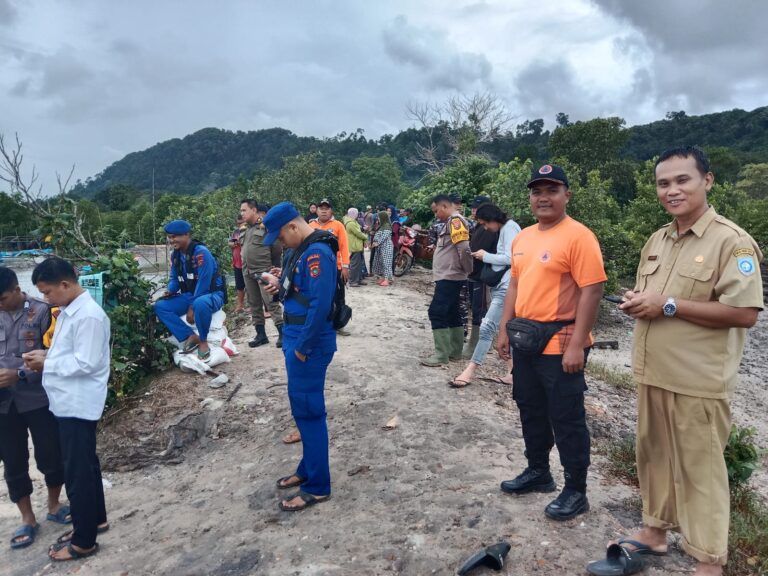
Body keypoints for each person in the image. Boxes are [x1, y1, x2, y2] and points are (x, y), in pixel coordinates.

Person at [588, 147, 764, 576]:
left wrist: (667, 304)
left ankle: (708, 560)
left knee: (701, 471)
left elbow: (744, 313)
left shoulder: (732, 241)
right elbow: (655, 298)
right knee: (654, 456)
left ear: (708, 180)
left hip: (698, 378)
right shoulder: (657, 240)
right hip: (653, 371)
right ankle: (655, 532)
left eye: (682, 180)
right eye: (663, 183)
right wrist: (638, 301)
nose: (672, 190)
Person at [496, 164, 606, 521]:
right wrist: (504, 329)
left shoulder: (579, 236)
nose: (543, 198)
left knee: (566, 416)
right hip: (526, 337)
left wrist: (577, 344)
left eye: (552, 190)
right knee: (529, 406)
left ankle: (576, 490)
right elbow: (515, 284)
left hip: (562, 340)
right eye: (537, 191)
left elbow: (592, 291)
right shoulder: (523, 237)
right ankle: (538, 471)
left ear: (566, 195)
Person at [23, 257, 110, 562]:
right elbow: (72, 352)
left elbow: (86, 363)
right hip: (69, 401)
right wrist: (47, 354)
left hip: (78, 403)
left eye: (47, 292)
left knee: (77, 473)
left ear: (64, 284)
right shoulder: (70, 311)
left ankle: (83, 541)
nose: (46, 298)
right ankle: (96, 520)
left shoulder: (88, 316)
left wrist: (47, 363)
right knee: (87, 465)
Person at [260, 202, 337, 512]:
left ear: (292, 226)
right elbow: (303, 290)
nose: (280, 244)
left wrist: (303, 348)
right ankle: (308, 468)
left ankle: (317, 486)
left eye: (280, 237)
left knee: (309, 411)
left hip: (309, 343)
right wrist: (281, 283)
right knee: (302, 410)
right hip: (297, 337)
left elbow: (320, 305)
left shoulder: (317, 253)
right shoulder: (302, 250)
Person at [0, 267, 70, 551]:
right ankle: (27, 518)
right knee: (13, 460)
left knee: (51, 453)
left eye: (3, 299)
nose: (0, 305)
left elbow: (56, 355)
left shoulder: (43, 311)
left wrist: (19, 374)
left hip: (39, 398)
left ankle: (54, 505)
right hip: (4, 404)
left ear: (17, 290)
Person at [450, 203, 520, 387]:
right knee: (504, 328)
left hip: (507, 287)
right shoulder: (504, 229)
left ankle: (470, 370)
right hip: (501, 285)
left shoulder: (509, 228)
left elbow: (512, 258)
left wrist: (485, 256)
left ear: (492, 218)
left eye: (485, 223)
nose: (486, 228)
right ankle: (513, 372)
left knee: (487, 327)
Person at [153, 220, 226, 361]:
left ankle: (203, 341)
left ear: (186, 235)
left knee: (200, 303)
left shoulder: (201, 253)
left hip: (212, 294)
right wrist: (170, 290)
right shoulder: (176, 255)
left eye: (175, 236)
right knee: (160, 306)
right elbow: (174, 278)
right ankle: (190, 335)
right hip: (190, 295)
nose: (171, 240)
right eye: (169, 237)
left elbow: (204, 283)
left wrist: (192, 307)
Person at [421, 194, 473, 367]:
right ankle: (455, 351)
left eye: (436, 211)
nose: (436, 215)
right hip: (448, 275)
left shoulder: (455, 221)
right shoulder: (450, 222)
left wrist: (467, 269)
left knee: (436, 312)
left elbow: (464, 248)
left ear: (444, 206)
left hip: (451, 275)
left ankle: (441, 354)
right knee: (452, 311)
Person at [240, 200, 284, 348]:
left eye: (244, 210)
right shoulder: (244, 229)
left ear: (254, 210)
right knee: (254, 303)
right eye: (241, 210)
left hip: (264, 270)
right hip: (247, 271)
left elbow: (277, 248)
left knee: (271, 302)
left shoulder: (266, 227)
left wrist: (275, 268)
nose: (242, 213)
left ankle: (282, 333)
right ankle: (261, 335)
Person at [463, 196, 500, 358]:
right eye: (472, 208)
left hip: (482, 275)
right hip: (473, 273)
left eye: (476, 208)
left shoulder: (489, 228)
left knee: (480, 310)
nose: (473, 211)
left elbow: (484, 251)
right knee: (475, 308)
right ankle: (475, 343)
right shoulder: (479, 226)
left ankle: (478, 345)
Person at [309, 199, 350, 284]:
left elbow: (344, 246)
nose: (324, 211)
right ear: (316, 210)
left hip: (335, 267)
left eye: (327, 209)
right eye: (321, 209)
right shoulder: (310, 226)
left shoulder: (338, 225)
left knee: (336, 291)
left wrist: (345, 266)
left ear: (331, 211)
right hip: (314, 267)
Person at [344, 208, 368, 287]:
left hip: (357, 246)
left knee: (359, 265)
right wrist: (366, 237)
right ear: (354, 214)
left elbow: (359, 230)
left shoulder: (353, 222)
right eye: (357, 214)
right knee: (354, 265)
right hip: (354, 247)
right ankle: (353, 281)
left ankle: (359, 279)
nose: (358, 215)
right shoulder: (350, 223)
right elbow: (358, 233)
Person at [228, 216, 248, 314]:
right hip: (237, 263)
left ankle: (254, 305)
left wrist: (238, 242)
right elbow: (230, 243)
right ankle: (240, 305)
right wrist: (233, 244)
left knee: (250, 285)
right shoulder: (235, 232)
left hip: (247, 263)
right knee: (239, 285)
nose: (240, 225)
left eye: (241, 222)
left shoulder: (249, 230)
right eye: (238, 223)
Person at [371, 211, 394, 287]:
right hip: (381, 247)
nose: (378, 218)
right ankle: (384, 278)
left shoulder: (387, 226)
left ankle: (387, 280)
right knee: (381, 263)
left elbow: (384, 236)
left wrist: (377, 243)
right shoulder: (382, 226)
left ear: (383, 217)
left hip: (386, 247)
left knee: (386, 263)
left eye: (379, 217)